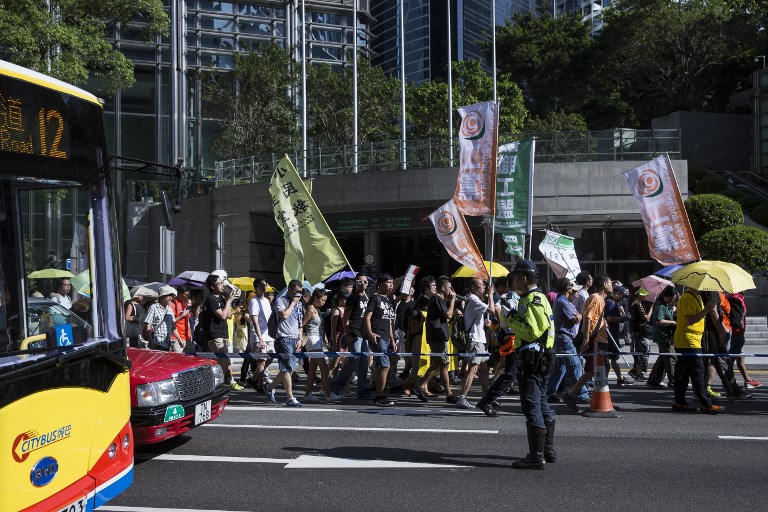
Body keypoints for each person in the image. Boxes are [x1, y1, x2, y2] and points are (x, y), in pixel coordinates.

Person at [506, 259, 555, 470]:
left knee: (532, 405)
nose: (513, 281)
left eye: (515, 277)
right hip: (543, 358)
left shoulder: (530, 299)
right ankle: (547, 450)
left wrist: (510, 319)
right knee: (542, 402)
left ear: (523, 279)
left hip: (533, 359)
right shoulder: (540, 297)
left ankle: (536, 456)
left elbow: (532, 331)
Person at [562, 274, 615, 411]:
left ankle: (603, 398)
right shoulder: (595, 298)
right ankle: (572, 394)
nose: (612, 285)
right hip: (595, 339)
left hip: (601, 339)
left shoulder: (601, 299)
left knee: (601, 369)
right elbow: (588, 318)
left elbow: (596, 318)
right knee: (592, 370)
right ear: (604, 284)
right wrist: (586, 340)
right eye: (610, 283)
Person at [671, 286, 724, 413]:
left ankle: (679, 401)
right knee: (697, 371)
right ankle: (706, 403)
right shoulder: (689, 297)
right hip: (688, 340)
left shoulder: (696, 296)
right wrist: (707, 309)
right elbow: (691, 319)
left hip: (690, 339)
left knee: (683, 372)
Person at [475, 276, 521, 417]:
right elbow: (501, 312)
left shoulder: (516, 297)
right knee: (509, 374)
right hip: (511, 339)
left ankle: (489, 398)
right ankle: (487, 400)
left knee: (515, 373)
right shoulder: (508, 297)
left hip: (516, 338)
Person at [413, 275, 457, 404]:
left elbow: (444, 315)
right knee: (442, 363)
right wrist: (453, 301)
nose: (451, 291)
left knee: (441, 363)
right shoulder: (436, 298)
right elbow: (448, 315)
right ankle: (445, 392)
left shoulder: (439, 300)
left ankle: (423, 386)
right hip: (437, 336)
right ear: (442, 288)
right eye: (449, 288)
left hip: (440, 335)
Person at [546, 277, 589, 405]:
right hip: (564, 338)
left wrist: (578, 316)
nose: (575, 290)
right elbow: (576, 319)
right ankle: (582, 394)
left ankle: (549, 392)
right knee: (574, 365)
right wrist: (579, 316)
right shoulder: (562, 301)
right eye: (572, 287)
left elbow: (577, 316)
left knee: (562, 367)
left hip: (564, 338)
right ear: (568, 288)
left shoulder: (564, 301)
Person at [329, 273, 371, 401]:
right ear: (355, 283)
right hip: (354, 333)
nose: (362, 284)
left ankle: (362, 390)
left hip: (364, 334)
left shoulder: (366, 298)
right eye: (359, 281)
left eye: (364, 281)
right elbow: (345, 318)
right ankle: (336, 385)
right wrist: (347, 334)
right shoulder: (352, 298)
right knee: (353, 362)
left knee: (364, 363)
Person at [456, 276, 496, 409]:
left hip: (480, 339)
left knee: (484, 369)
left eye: (485, 285)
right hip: (475, 340)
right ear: (473, 288)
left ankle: (486, 397)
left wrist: (484, 324)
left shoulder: (475, 299)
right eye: (481, 285)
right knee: (473, 369)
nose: (484, 287)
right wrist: (490, 295)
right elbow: (492, 310)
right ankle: (462, 398)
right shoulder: (473, 299)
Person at [201, 273, 243, 390]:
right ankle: (216, 385)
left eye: (222, 283)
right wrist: (229, 301)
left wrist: (228, 299)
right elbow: (223, 316)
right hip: (215, 335)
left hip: (223, 335)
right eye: (219, 284)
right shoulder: (211, 299)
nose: (222, 286)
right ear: (212, 286)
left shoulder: (221, 298)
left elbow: (228, 314)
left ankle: (225, 382)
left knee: (224, 362)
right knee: (222, 362)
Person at [269, 279, 304, 407]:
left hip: (294, 338)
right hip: (283, 338)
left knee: (288, 369)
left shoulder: (299, 304)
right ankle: (290, 397)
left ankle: (270, 387)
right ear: (289, 290)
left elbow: (300, 323)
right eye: (296, 292)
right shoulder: (281, 300)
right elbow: (284, 315)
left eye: (300, 292)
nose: (298, 295)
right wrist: (293, 302)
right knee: (287, 369)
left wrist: (300, 338)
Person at [364, 274, 397, 407]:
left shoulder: (387, 300)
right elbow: (367, 316)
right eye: (388, 282)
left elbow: (389, 321)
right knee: (385, 365)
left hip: (386, 337)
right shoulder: (375, 298)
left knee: (380, 366)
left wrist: (392, 339)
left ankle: (379, 394)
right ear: (380, 284)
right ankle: (380, 395)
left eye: (392, 283)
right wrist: (370, 332)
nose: (391, 285)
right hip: (377, 336)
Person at [244, 277, 275, 392]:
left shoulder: (266, 301)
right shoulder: (253, 301)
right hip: (258, 336)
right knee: (261, 360)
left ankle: (252, 379)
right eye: (261, 285)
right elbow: (255, 321)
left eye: (265, 285)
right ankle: (261, 386)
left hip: (269, 334)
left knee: (271, 357)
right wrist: (260, 338)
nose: (264, 287)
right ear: (256, 288)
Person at [726, 291, 762, 389]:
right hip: (737, 333)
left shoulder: (732, 297)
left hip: (736, 332)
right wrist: (741, 331)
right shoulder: (736, 298)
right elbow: (738, 318)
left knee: (740, 357)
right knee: (730, 361)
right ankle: (730, 386)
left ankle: (748, 381)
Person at [302, 288, 331, 401]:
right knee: (323, 367)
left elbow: (319, 326)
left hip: (317, 340)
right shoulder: (310, 309)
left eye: (325, 300)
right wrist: (301, 338)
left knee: (312, 369)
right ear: (315, 298)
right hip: (312, 340)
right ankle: (328, 394)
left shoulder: (317, 309)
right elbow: (302, 324)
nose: (324, 302)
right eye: (322, 300)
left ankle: (307, 394)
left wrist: (324, 338)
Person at [647, 286, 678, 387]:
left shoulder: (664, 304)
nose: (671, 300)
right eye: (670, 298)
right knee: (670, 357)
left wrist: (673, 302)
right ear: (665, 296)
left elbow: (668, 311)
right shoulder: (660, 306)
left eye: (672, 299)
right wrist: (673, 322)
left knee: (663, 358)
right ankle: (673, 380)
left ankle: (654, 379)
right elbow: (659, 320)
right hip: (663, 336)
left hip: (663, 335)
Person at [143, 286, 181, 352]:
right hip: (157, 344)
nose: (171, 297)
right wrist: (151, 341)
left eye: (171, 296)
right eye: (168, 295)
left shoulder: (169, 309)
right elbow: (148, 325)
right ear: (162, 297)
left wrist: (179, 339)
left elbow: (173, 326)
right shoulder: (154, 307)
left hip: (167, 343)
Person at [627, 287, 653, 381]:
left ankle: (636, 371)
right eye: (645, 294)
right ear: (641, 294)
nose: (646, 296)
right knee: (644, 351)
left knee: (638, 352)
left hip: (635, 331)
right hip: (640, 332)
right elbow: (646, 318)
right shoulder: (638, 304)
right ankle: (639, 372)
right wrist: (651, 309)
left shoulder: (634, 303)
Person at [170, 286, 191, 353]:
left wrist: (190, 334)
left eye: (188, 295)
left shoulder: (185, 303)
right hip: (177, 338)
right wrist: (183, 315)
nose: (186, 296)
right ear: (179, 293)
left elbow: (187, 320)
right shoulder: (172, 304)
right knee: (178, 360)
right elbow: (171, 322)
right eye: (185, 294)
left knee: (190, 360)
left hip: (187, 338)